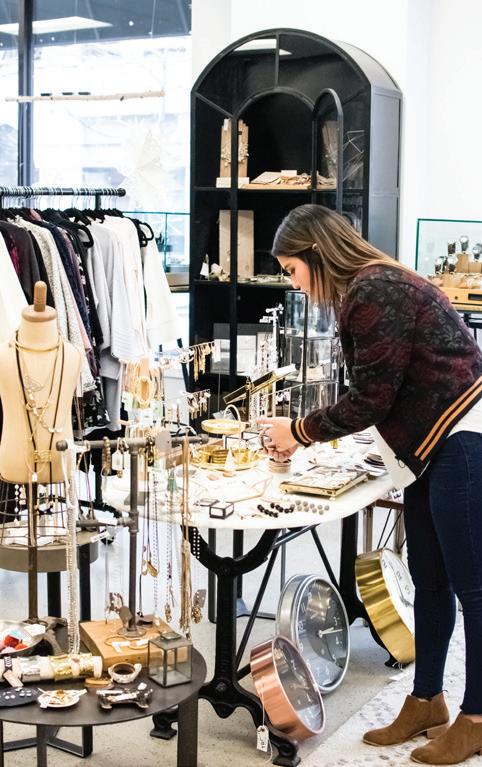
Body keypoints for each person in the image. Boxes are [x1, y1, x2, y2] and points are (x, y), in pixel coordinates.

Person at [258, 204, 482, 765]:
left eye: (292, 270)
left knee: (474, 589)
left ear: (315, 254)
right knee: (431, 581)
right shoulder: (372, 286)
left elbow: (372, 399)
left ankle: (477, 718)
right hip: (433, 442)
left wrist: (299, 432)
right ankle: (426, 700)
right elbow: (385, 387)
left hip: (461, 437)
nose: (294, 283)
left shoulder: (374, 289)